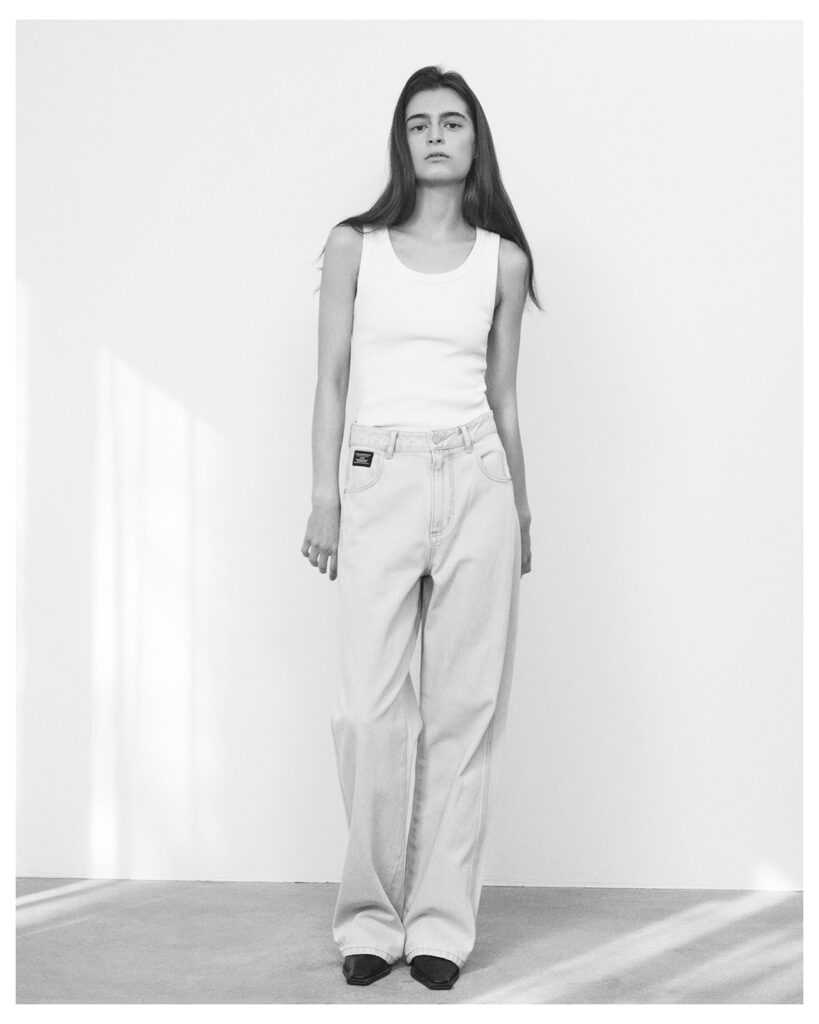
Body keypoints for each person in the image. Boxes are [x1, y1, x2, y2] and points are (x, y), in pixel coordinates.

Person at [301, 64, 539, 991]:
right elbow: (329, 379)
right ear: (401, 143)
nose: (435, 135)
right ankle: (369, 918)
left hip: (478, 474)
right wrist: (324, 497)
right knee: (366, 711)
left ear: (476, 140)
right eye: (418, 124)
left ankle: (439, 924)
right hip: (379, 475)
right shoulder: (354, 246)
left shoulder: (502, 261)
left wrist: (520, 507)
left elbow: (504, 397)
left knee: (462, 712)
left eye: (452, 122)